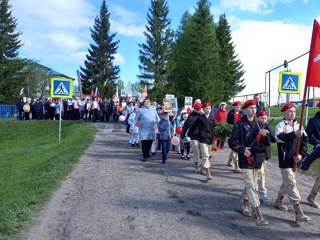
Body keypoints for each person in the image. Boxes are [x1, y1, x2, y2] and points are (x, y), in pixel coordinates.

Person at [228, 99, 269, 226]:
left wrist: (265, 135)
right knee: (251, 185)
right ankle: (258, 213)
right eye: (250, 108)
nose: (253, 110)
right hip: (246, 159)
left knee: (251, 184)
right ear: (245, 110)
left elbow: (267, 143)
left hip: (257, 159)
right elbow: (232, 142)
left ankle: (244, 203)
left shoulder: (260, 124)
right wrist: (242, 149)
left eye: (255, 108)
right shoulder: (239, 124)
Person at [274, 103, 310, 222]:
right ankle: (298, 210)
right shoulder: (280, 125)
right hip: (285, 159)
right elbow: (279, 138)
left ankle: (279, 200)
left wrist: (301, 155)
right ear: (284, 112)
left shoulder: (299, 125)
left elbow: (305, 141)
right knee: (290, 182)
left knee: (288, 182)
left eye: (294, 111)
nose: (292, 113)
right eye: (289, 111)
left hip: (295, 160)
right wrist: (294, 134)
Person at [249, 111, 276, 201]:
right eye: (261, 118)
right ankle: (256, 188)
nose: (264, 120)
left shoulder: (266, 126)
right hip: (255, 152)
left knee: (261, 172)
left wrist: (267, 133)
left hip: (264, 153)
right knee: (257, 171)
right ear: (257, 118)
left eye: (265, 118)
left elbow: (273, 140)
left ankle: (262, 191)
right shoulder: (254, 126)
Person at [188, 102, 215, 180]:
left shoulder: (212, 118)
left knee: (205, 155)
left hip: (209, 140)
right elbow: (193, 127)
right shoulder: (200, 118)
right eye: (206, 108)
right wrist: (189, 134)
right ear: (203, 109)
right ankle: (208, 173)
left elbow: (214, 128)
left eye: (209, 108)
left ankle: (203, 168)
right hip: (202, 139)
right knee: (206, 155)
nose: (208, 110)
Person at [301, 101, 320, 208]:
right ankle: (312, 196)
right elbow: (307, 136)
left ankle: (312, 196)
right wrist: (317, 142)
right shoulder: (314, 121)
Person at [181, 103, 203, 172]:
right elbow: (186, 125)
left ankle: (203, 167)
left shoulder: (204, 115)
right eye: (196, 109)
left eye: (199, 109)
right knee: (196, 151)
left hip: (202, 136)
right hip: (194, 136)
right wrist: (183, 134)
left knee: (203, 153)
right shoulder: (191, 116)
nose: (197, 110)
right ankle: (197, 166)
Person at [226, 101, 243, 173]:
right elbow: (228, 122)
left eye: (239, 107)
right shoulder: (230, 113)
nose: (238, 108)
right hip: (232, 132)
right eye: (237, 107)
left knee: (234, 148)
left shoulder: (241, 113)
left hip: (240, 132)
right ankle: (237, 166)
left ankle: (229, 161)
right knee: (235, 148)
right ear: (234, 107)